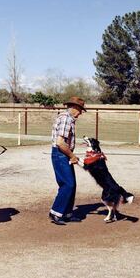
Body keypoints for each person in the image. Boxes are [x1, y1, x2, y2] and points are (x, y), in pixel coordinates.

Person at [49, 96, 86, 225]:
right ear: (75, 107)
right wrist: (72, 156)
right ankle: (56, 212)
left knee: (71, 184)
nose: (80, 113)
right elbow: (60, 142)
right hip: (61, 154)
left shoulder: (67, 118)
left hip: (63, 153)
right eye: (80, 110)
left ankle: (66, 213)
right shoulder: (66, 119)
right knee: (67, 184)